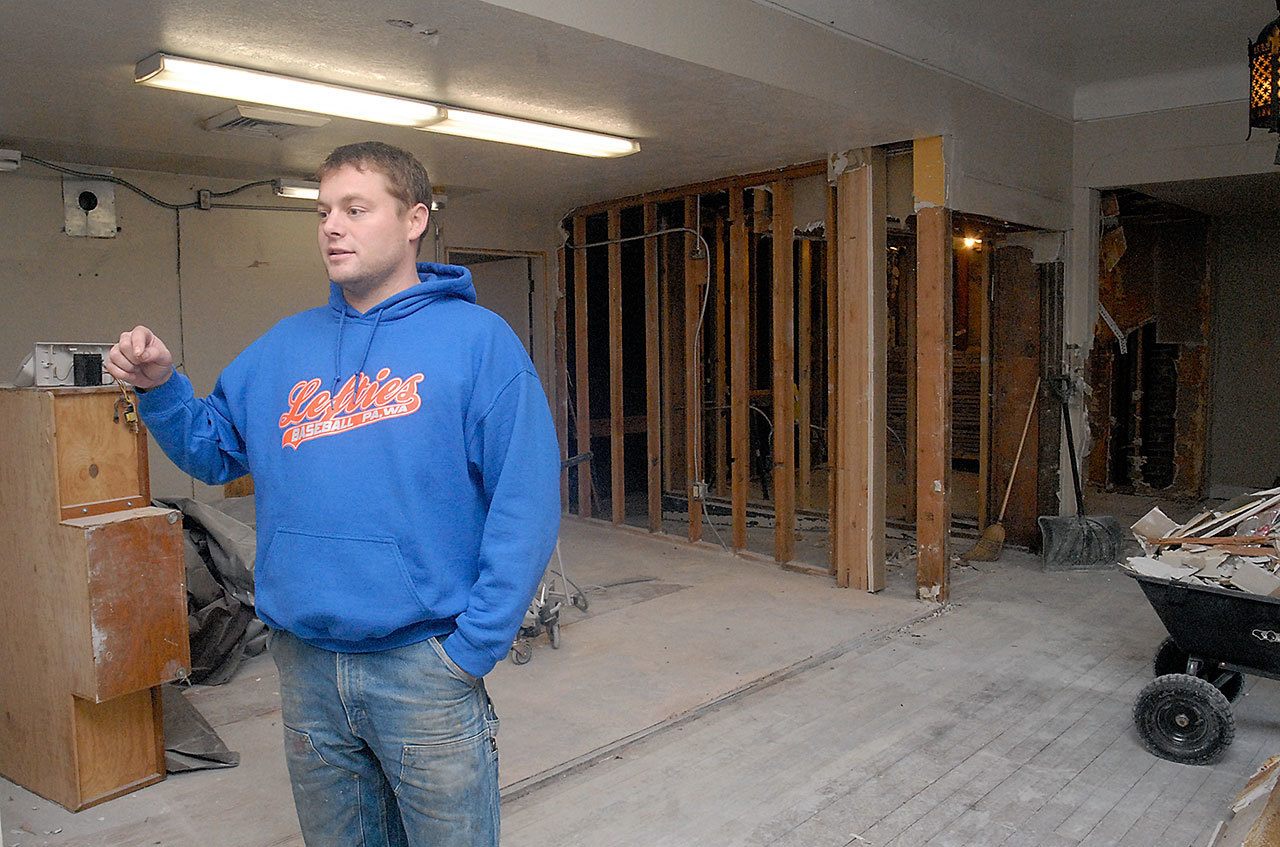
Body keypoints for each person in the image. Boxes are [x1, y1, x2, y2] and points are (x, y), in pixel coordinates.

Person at [105, 141, 561, 846]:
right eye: (323, 212)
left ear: (414, 220)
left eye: (355, 208)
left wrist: (473, 647)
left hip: (425, 665)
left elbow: (525, 500)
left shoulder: (478, 342)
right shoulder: (283, 348)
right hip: (307, 666)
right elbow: (211, 449)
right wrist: (161, 387)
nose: (332, 227)